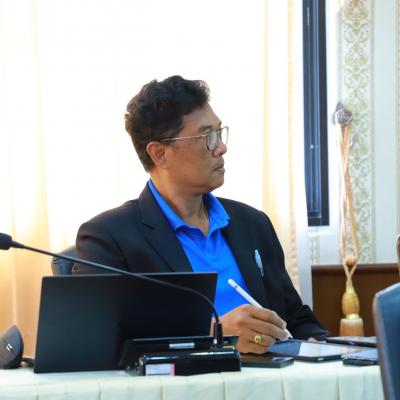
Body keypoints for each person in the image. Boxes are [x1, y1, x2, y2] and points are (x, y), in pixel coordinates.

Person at [73, 75, 329, 353]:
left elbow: (296, 320)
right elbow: (97, 338)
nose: (222, 147)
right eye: (207, 136)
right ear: (160, 154)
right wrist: (215, 333)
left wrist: (319, 345)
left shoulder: (252, 223)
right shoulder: (110, 237)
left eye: (220, 132)